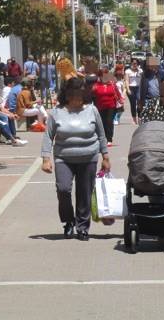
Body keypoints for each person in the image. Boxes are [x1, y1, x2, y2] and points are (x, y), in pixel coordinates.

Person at [41, 77, 111, 241]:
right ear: (66, 95)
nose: (78, 99)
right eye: (74, 96)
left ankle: (82, 226)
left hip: (89, 157)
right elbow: (48, 136)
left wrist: (105, 156)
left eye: (81, 95)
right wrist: (46, 158)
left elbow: (101, 135)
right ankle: (68, 221)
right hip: (63, 158)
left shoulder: (92, 110)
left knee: (84, 194)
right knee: (63, 189)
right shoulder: (57, 112)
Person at [92, 65, 121, 146]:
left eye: (105, 74)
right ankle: (103, 138)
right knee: (102, 122)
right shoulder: (96, 84)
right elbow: (92, 94)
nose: (104, 76)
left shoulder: (111, 83)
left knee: (109, 122)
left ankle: (109, 139)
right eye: (102, 74)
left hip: (111, 105)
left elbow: (117, 91)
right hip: (100, 106)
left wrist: (120, 99)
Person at [124, 59, 143, 125]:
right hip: (131, 88)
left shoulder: (140, 71)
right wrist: (128, 89)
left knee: (139, 102)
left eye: (136, 63)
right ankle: (134, 119)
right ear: (131, 64)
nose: (135, 65)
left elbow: (142, 80)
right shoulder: (128, 71)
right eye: (133, 63)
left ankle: (139, 117)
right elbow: (126, 80)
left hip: (138, 88)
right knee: (133, 104)